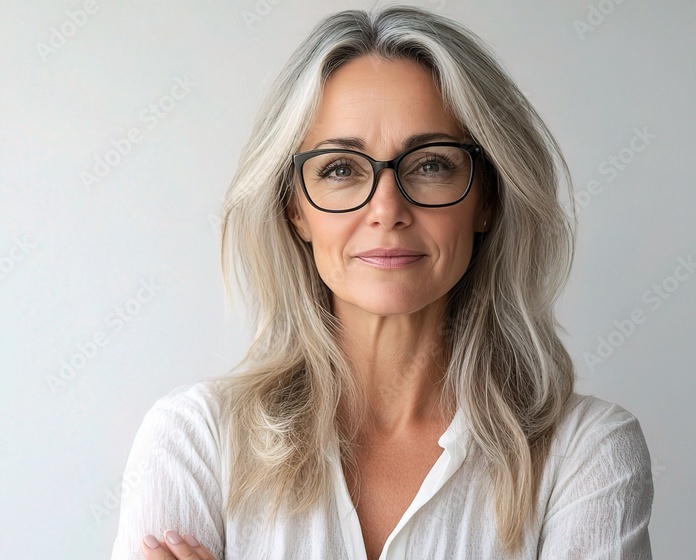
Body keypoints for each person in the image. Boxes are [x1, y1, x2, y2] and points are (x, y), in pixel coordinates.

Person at [110, 6, 654, 560]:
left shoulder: (588, 453)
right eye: (341, 169)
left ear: (487, 198)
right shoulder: (193, 441)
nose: (386, 209)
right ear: (294, 208)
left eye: (432, 164)